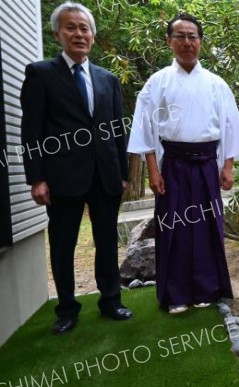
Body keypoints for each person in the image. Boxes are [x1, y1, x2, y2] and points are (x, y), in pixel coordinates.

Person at [20, 2, 133, 334]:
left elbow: (117, 130)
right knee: (63, 242)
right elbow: (32, 131)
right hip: (62, 178)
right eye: (71, 27)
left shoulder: (108, 79)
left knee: (107, 239)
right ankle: (67, 308)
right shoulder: (40, 74)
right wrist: (36, 177)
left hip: (105, 174)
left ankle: (111, 300)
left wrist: (123, 173)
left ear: (93, 37)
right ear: (58, 34)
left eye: (85, 28)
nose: (79, 34)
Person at [127, 13, 239, 314]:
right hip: (173, 166)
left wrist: (228, 166)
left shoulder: (216, 84)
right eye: (180, 36)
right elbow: (146, 130)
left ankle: (207, 289)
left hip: (208, 163)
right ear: (169, 41)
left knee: (208, 226)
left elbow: (230, 126)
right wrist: (154, 171)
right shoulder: (158, 82)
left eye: (192, 36)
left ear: (200, 42)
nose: (187, 42)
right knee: (173, 228)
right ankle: (176, 293)